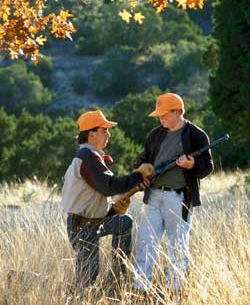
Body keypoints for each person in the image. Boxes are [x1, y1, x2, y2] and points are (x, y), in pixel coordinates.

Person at [62, 110, 152, 295]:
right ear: (91, 134)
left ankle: (118, 279)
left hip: (92, 221)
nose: (109, 134)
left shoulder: (90, 156)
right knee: (87, 278)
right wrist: (137, 176)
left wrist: (115, 206)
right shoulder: (87, 157)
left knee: (124, 222)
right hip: (84, 227)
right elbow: (109, 187)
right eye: (104, 130)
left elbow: (96, 196)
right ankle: (74, 297)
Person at [133, 93, 214, 294]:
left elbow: (207, 167)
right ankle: (140, 291)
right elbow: (140, 159)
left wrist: (192, 164)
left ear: (177, 111)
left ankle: (174, 291)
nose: (160, 118)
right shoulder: (155, 134)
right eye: (159, 114)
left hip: (179, 197)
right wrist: (143, 170)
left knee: (178, 246)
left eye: (164, 114)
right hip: (152, 197)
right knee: (145, 243)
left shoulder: (196, 135)